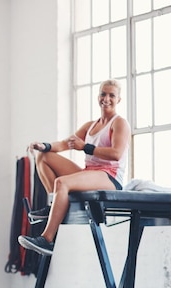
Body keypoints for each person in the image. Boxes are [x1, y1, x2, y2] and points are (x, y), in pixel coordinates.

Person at [18, 79, 129, 256]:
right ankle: (53, 204)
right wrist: (43, 145)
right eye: (103, 94)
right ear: (98, 96)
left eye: (111, 95)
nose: (106, 98)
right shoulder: (90, 125)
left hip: (109, 176)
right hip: (90, 172)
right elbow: (64, 144)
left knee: (62, 183)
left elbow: (116, 153)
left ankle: (47, 240)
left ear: (119, 100)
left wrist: (85, 147)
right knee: (44, 157)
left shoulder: (119, 123)